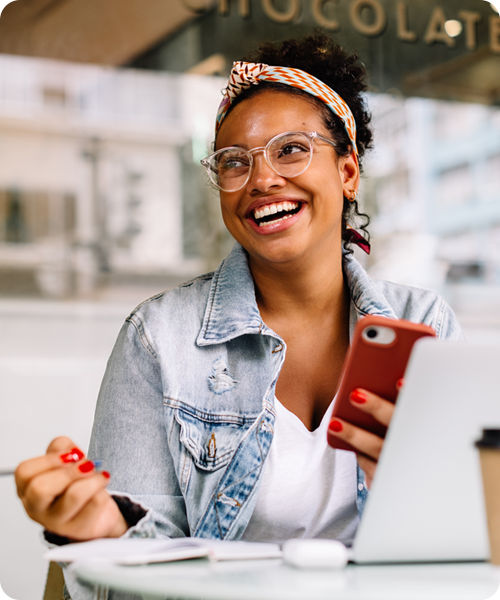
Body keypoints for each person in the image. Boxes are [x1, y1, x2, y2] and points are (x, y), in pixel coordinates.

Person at [15, 33, 462, 599]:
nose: (261, 179)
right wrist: (99, 529)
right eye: (233, 162)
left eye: (291, 149)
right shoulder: (158, 338)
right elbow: (133, 559)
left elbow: (468, 547)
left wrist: (418, 495)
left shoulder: (427, 327)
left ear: (348, 171)